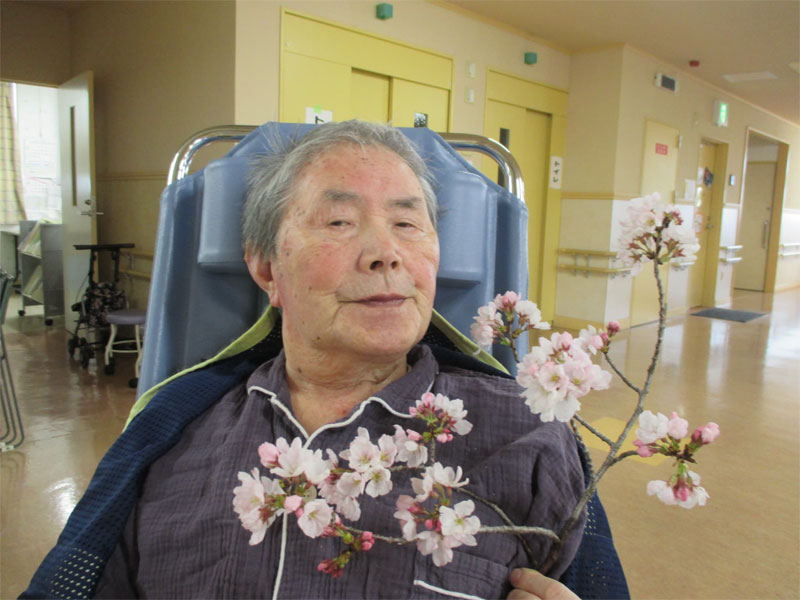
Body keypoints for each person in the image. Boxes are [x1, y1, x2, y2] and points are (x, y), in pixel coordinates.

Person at [24, 121, 594, 599]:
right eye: (339, 221)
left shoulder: (529, 437)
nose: (386, 253)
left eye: (407, 223)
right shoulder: (174, 438)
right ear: (266, 268)